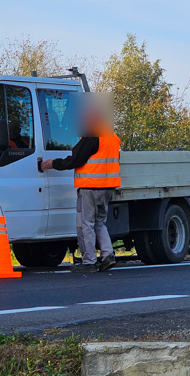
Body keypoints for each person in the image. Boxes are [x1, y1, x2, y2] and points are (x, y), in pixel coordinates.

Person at [41, 96, 120, 272]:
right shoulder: (113, 137)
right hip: (107, 187)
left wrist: (53, 163)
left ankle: (89, 262)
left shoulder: (92, 135)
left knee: (87, 224)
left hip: (90, 187)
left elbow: (75, 159)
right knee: (100, 222)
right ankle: (107, 255)